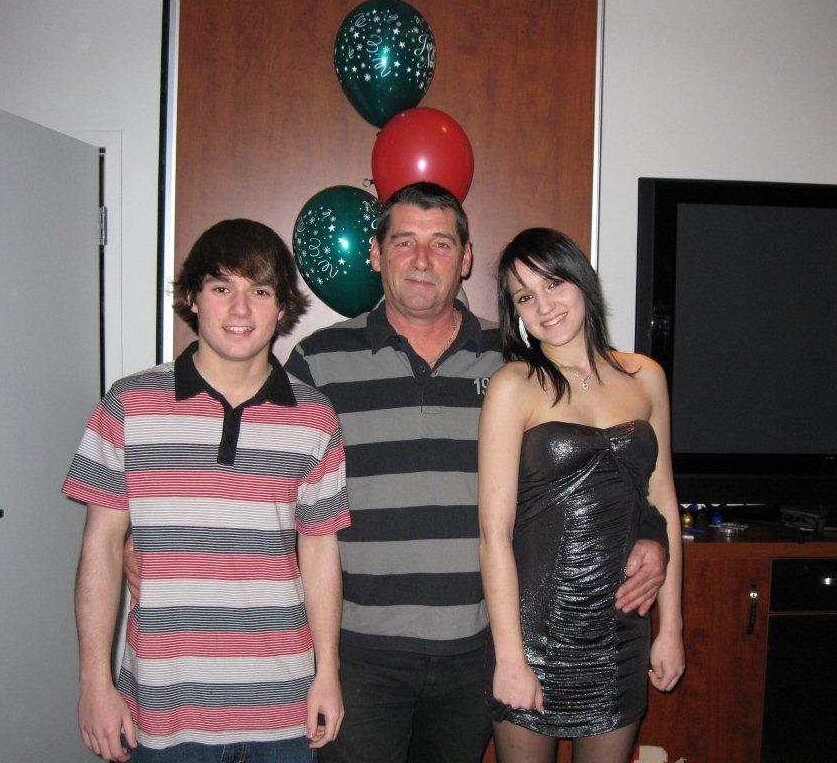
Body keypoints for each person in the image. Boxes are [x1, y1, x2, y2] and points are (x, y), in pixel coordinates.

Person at [283, 184, 669, 763]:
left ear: (465, 259)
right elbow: (272, 491)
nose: (421, 259)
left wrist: (651, 534)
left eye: (441, 244)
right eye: (404, 241)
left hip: (480, 646)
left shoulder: (518, 357)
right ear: (376, 254)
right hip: (361, 653)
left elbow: (604, 460)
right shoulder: (317, 361)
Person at [64, 219, 351, 763]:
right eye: (222, 288)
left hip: (282, 705)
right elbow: (100, 547)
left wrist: (328, 672)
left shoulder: (314, 416)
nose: (240, 309)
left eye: (260, 291)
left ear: (281, 307)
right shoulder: (127, 405)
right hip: (162, 706)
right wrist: (94, 683)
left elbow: (319, 550)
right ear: (193, 298)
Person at [478, 228, 684, 763]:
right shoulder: (513, 385)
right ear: (515, 313)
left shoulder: (646, 376)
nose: (544, 305)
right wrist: (510, 656)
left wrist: (671, 628)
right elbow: (493, 534)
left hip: (620, 629)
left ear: (581, 280)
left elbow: (664, 502)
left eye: (553, 283)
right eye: (525, 296)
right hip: (535, 631)